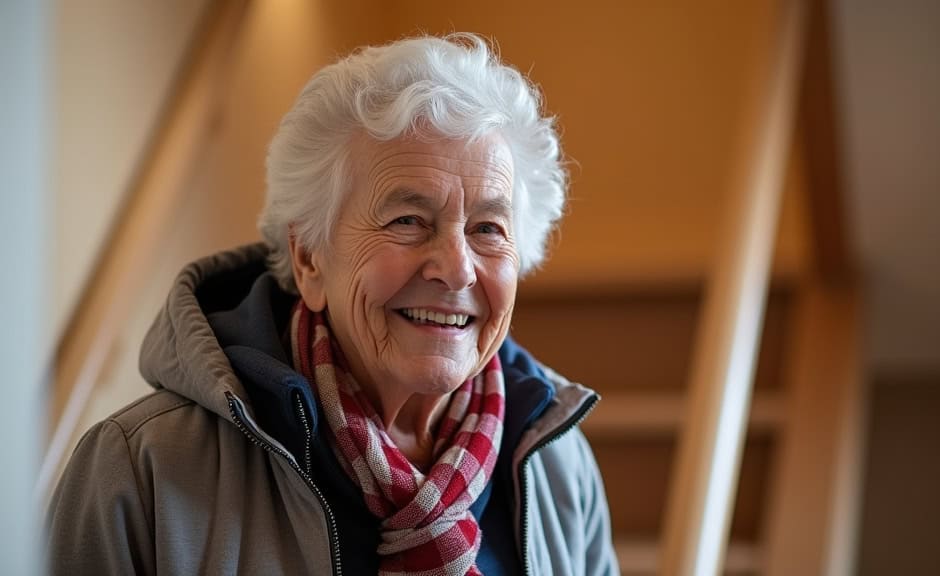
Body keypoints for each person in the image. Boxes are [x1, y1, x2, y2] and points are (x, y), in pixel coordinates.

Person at [47, 34, 618, 575]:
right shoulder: (139, 470)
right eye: (407, 220)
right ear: (309, 261)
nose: (457, 268)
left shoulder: (558, 469)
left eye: (488, 228)